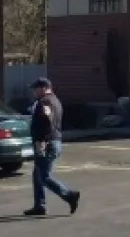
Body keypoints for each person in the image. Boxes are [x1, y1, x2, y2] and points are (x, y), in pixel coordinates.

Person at [24, 78, 81, 216]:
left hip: (47, 143)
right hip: (53, 141)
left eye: (36, 89)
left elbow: (47, 121)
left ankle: (69, 195)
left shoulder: (45, 102)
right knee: (37, 174)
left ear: (44, 88)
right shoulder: (55, 100)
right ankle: (40, 205)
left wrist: (42, 140)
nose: (34, 92)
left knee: (44, 177)